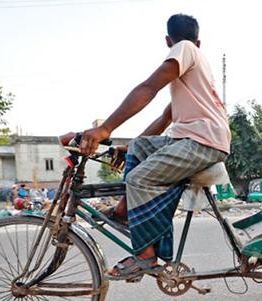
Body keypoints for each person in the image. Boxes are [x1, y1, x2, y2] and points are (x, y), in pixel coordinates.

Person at [65, 14, 230, 280]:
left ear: (168, 41)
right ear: (200, 41)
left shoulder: (184, 49)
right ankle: (122, 212)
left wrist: (105, 129)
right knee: (140, 148)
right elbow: (165, 118)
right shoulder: (193, 71)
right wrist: (128, 148)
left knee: (140, 179)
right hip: (194, 140)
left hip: (204, 143)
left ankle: (145, 256)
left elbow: (149, 87)